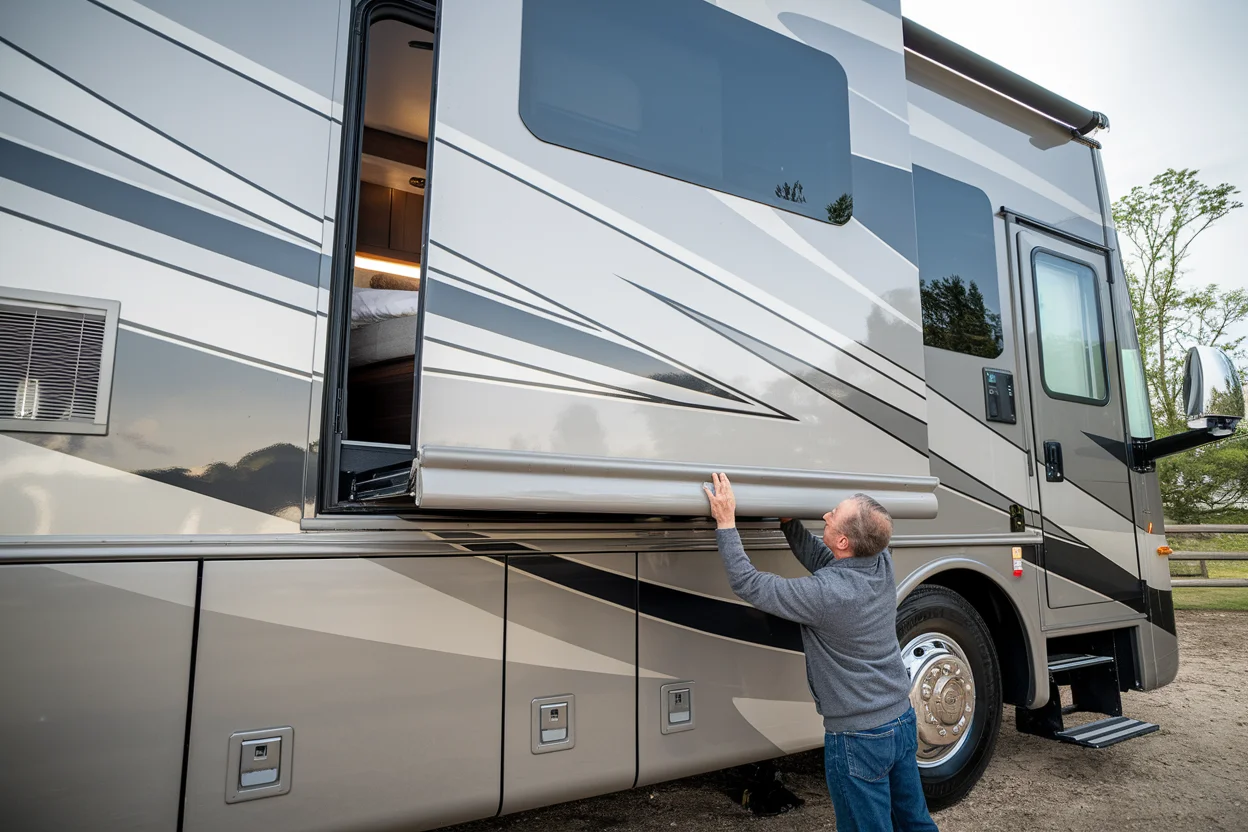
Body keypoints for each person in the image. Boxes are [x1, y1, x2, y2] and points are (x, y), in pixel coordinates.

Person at [703, 472, 938, 832]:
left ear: (843, 540)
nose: (825, 515)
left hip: (859, 737)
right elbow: (823, 556)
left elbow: (748, 583)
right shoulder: (880, 562)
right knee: (914, 822)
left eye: (833, 514)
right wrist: (788, 521)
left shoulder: (825, 595)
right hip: (900, 720)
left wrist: (726, 522)